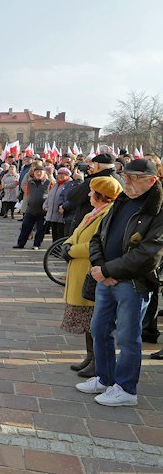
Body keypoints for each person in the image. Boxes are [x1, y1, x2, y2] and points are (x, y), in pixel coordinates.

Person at [77, 158, 163, 406]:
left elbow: (149, 254)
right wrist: (99, 267)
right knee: (99, 329)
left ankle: (126, 389)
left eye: (134, 178)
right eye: (126, 177)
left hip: (132, 284)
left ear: (151, 180)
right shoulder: (122, 201)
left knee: (127, 337)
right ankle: (105, 378)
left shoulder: (156, 209)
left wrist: (108, 270)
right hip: (106, 279)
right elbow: (98, 237)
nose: (127, 182)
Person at [60, 177, 122, 378]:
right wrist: (67, 245)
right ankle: (90, 357)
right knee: (89, 321)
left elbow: (96, 245)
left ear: (101, 195)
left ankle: (98, 361)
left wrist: (72, 250)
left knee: (95, 320)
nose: (88, 195)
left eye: (91, 191)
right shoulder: (92, 213)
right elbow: (77, 233)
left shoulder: (107, 214)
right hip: (80, 270)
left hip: (90, 271)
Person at [13, 165, 50, 250]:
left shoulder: (48, 182)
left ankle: (37, 244)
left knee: (40, 229)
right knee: (25, 227)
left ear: (44, 173)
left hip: (42, 210)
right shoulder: (30, 182)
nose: (39, 173)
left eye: (41, 172)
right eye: (37, 172)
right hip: (30, 209)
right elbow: (27, 194)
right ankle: (21, 243)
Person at [44, 167, 74, 241]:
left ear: (68, 175)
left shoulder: (70, 185)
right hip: (53, 215)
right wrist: (45, 205)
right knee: (54, 236)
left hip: (62, 216)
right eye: (59, 174)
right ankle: (55, 251)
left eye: (63, 174)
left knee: (60, 237)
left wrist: (63, 207)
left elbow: (69, 199)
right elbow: (49, 196)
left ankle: (58, 251)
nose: (60, 176)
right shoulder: (56, 184)